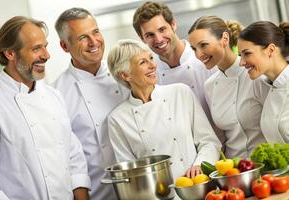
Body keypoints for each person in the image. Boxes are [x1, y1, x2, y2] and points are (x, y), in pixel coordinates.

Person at [0, 16, 90, 200]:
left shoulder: (54, 96)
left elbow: (74, 156)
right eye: (36, 48)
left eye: (45, 46)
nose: (46, 55)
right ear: (10, 54)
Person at [107, 39, 221, 180]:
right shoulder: (118, 118)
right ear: (125, 75)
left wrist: (199, 166)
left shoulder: (180, 93)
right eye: (143, 62)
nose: (153, 65)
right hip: (157, 194)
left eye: (150, 58)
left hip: (196, 185)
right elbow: (129, 173)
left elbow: (209, 141)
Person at [53, 8, 128, 200]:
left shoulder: (125, 73)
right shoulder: (56, 94)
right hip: (97, 193)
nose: (94, 42)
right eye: (82, 37)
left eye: (96, 32)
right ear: (64, 46)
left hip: (138, 186)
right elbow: (63, 158)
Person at [132, 2, 219, 138]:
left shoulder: (204, 57)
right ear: (142, 38)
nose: (159, 39)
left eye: (162, 29)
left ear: (173, 25)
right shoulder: (149, 72)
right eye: (150, 35)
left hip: (221, 144)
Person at [187, 16, 267, 158]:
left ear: (224, 39)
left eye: (203, 45)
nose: (198, 54)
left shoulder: (256, 74)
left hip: (269, 164)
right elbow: (221, 138)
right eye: (194, 49)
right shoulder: (210, 86)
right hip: (234, 170)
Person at [238, 21, 289, 143]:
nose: (241, 62)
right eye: (240, 55)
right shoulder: (269, 87)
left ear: (270, 50)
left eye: (247, 54)